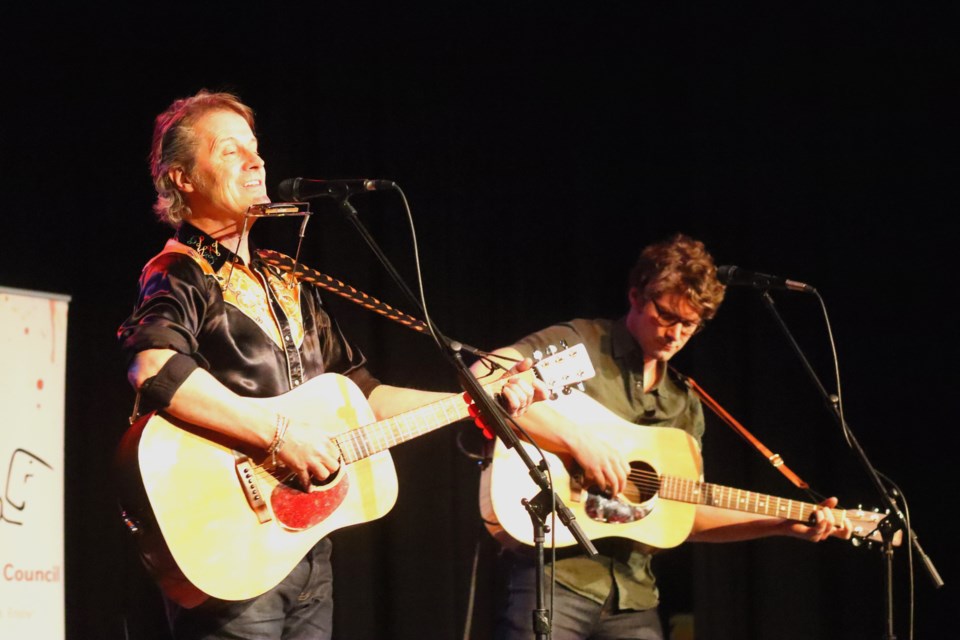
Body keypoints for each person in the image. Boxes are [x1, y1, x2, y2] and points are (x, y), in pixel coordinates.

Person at [117, 89, 544, 640]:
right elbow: (154, 365)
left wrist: (474, 400)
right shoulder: (179, 270)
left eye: (256, 148)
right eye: (229, 151)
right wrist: (279, 436)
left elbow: (358, 394)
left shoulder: (287, 279)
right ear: (181, 179)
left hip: (305, 548)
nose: (256, 161)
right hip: (232, 547)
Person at [472, 234, 852, 640]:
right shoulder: (583, 344)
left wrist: (783, 523)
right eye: (667, 315)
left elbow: (688, 511)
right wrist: (576, 440)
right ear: (636, 296)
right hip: (554, 580)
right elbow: (483, 376)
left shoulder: (684, 403)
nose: (676, 334)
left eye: (690, 325)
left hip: (634, 598)